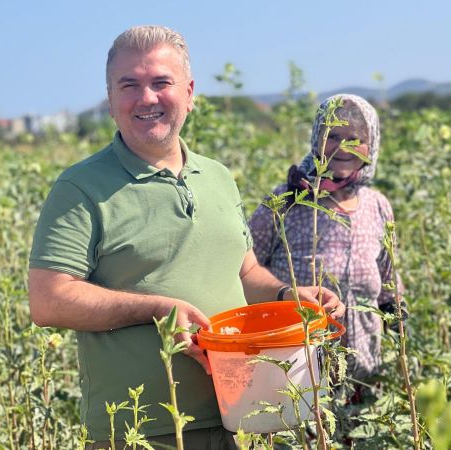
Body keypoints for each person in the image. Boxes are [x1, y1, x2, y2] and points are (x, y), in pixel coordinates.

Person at [28, 25, 344, 450]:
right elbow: (48, 299)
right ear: (110, 99)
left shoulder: (217, 177)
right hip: (142, 432)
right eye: (129, 85)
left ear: (190, 92)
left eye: (161, 82)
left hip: (249, 418)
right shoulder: (80, 188)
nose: (147, 98)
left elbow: (245, 270)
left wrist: (288, 295)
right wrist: (158, 309)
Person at [248, 94, 403, 386]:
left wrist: (400, 345)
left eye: (355, 138)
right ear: (316, 140)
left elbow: (389, 288)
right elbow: (244, 272)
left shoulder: (377, 206)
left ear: (372, 145)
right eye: (333, 135)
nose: (343, 147)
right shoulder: (286, 201)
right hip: (294, 381)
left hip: (365, 382)